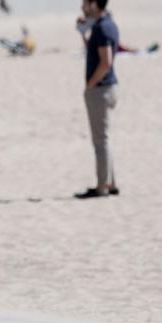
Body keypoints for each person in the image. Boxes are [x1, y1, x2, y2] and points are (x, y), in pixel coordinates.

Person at [74, 0, 119, 199]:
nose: (83, 7)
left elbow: (106, 62)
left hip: (100, 89)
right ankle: (110, 183)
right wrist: (84, 33)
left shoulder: (102, 27)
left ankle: (102, 186)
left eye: (85, 3)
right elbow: (94, 51)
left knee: (100, 141)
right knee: (104, 139)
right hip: (108, 87)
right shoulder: (107, 23)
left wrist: (90, 84)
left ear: (94, 4)